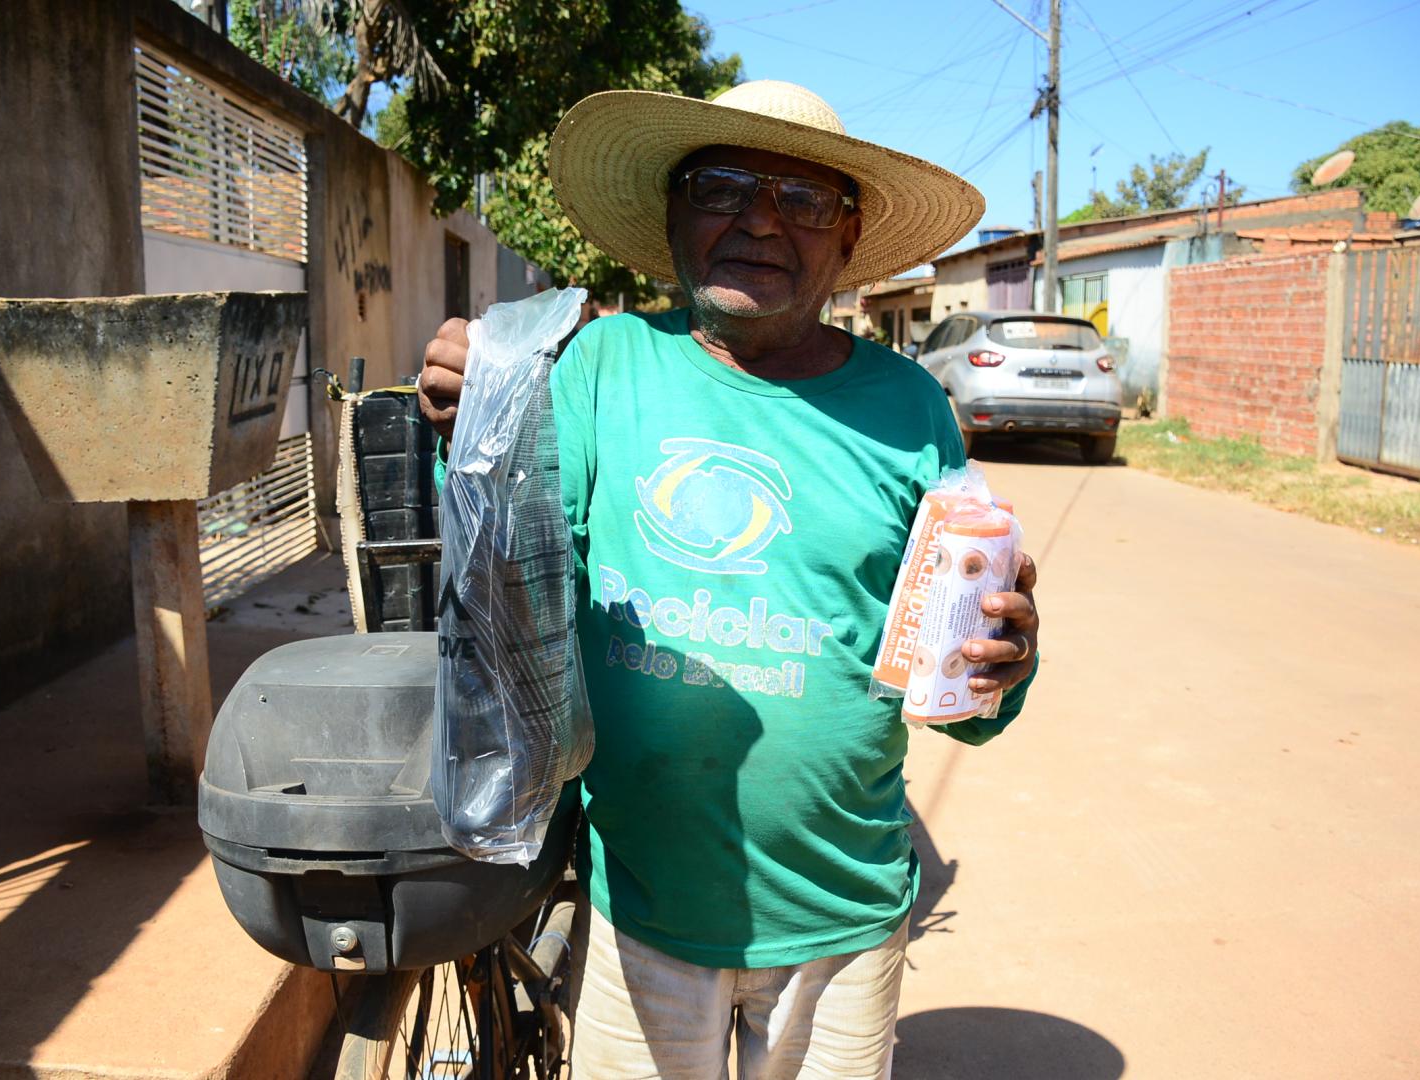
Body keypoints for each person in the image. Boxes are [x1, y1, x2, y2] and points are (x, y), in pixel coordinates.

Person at [418, 81, 1040, 1079]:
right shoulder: (601, 367)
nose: (758, 219)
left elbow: (965, 695)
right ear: (672, 217)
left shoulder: (911, 408)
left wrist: (1000, 663)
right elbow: (510, 593)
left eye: (801, 199)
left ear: (848, 238)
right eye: (723, 187)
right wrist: (477, 435)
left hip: (844, 919)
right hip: (644, 911)